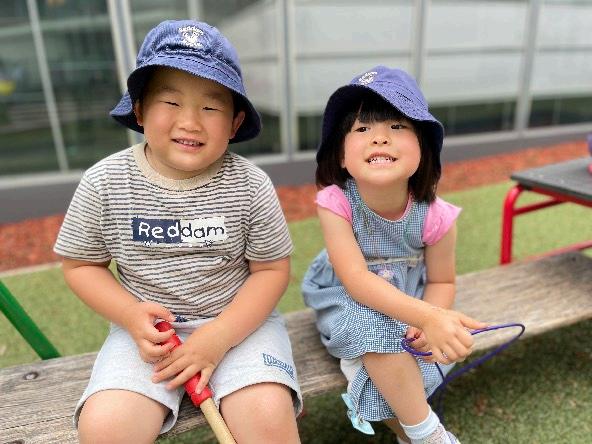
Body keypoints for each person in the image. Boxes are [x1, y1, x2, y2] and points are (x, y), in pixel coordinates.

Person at [54, 20, 301, 443]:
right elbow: (81, 265)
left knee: (266, 415)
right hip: (148, 337)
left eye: (211, 108)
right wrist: (129, 315)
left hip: (239, 325)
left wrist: (219, 336)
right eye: (170, 101)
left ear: (235, 123)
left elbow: (272, 271)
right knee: (106, 427)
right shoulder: (104, 182)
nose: (190, 121)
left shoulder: (250, 185)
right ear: (139, 111)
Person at [301, 66, 487, 444]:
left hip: (409, 296)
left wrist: (430, 318)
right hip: (347, 296)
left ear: (423, 148)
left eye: (398, 126)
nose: (380, 137)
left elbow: (442, 280)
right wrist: (427, 315)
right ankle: (428, 433)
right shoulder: (336, 203)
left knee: (419, 355)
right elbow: (356, 281)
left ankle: (411, 435)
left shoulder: (436, 216)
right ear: (341, 155)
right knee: (372, 328)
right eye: (362, 129)